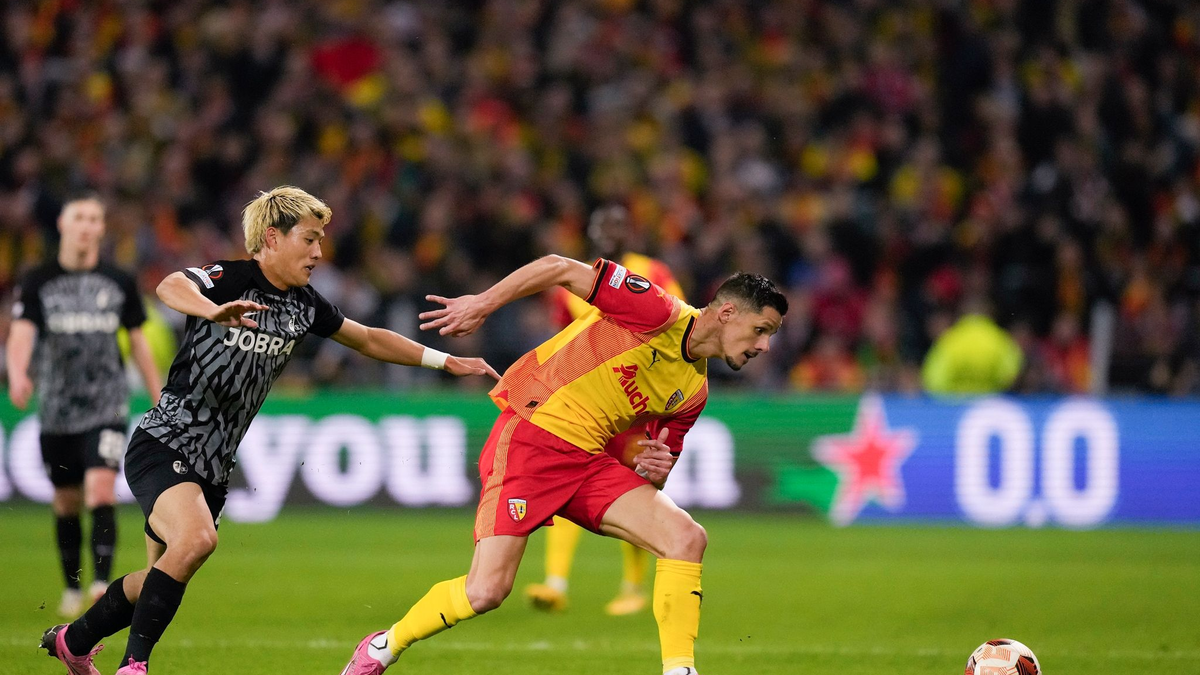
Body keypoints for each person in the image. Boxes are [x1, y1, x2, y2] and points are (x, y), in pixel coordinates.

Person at [38, 186, 499, 675]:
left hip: (214, 465)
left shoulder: (305, 305)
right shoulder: (229, 278)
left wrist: (445, 360)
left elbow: (365, 337)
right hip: (164, 440)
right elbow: (170, 284)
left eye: (321, 240)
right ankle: (134, 666)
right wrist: (210, 309)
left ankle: (74, 639)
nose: (319, 252)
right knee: (196, 541)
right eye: (310, 239)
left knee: (160, 574)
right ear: (272, 239)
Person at [339, 254, 787, 675]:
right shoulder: (656, 311)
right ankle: (382, 647)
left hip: (588, 462)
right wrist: (483, 302)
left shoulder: (692, 394)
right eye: (762, 329)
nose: (765, 346)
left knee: (686, 538)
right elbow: (558, 267)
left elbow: (651, 457)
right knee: (486, 592)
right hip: (534, 436)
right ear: (727, 313)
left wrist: (653, 463)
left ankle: (680, 669)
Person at [6, 193, 162, 618]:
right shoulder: (38, 279)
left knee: (100, 488)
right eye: (80, 217)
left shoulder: (118, 280)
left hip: (106, 404)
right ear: (62, 224)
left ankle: (98, 584)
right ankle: (72, 585)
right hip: (56, 409)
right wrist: (18, 372)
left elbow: (138, 340)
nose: (88, 225)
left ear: (101, 228)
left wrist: (157, 395)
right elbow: (22, 333)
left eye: (95, 218)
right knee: (66, 502)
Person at [527, 204, 686, 617]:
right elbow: (565, 338)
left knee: (636, 487)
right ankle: (555, 582)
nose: (609, 233)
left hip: (635, 404)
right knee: (565, 482)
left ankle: (633, 586)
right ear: (592, 232)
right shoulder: (574, 281)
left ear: (630, 232)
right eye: (601, 225)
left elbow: (682, 331)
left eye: (617, 226)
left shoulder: (654, 272)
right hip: (588, 403)